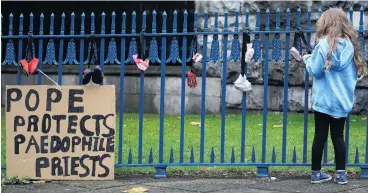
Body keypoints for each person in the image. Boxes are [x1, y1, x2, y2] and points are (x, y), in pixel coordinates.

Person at [300, 7, 366, 185]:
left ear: (325, 23)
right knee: (338, 136)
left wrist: (307, 59)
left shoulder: (323, 45)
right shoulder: (351, 48)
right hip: (341, 101)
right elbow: (355, 74)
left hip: (323, 101)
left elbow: (315, 70)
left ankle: (315, 174)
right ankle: (341, 175)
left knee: (320, 135)